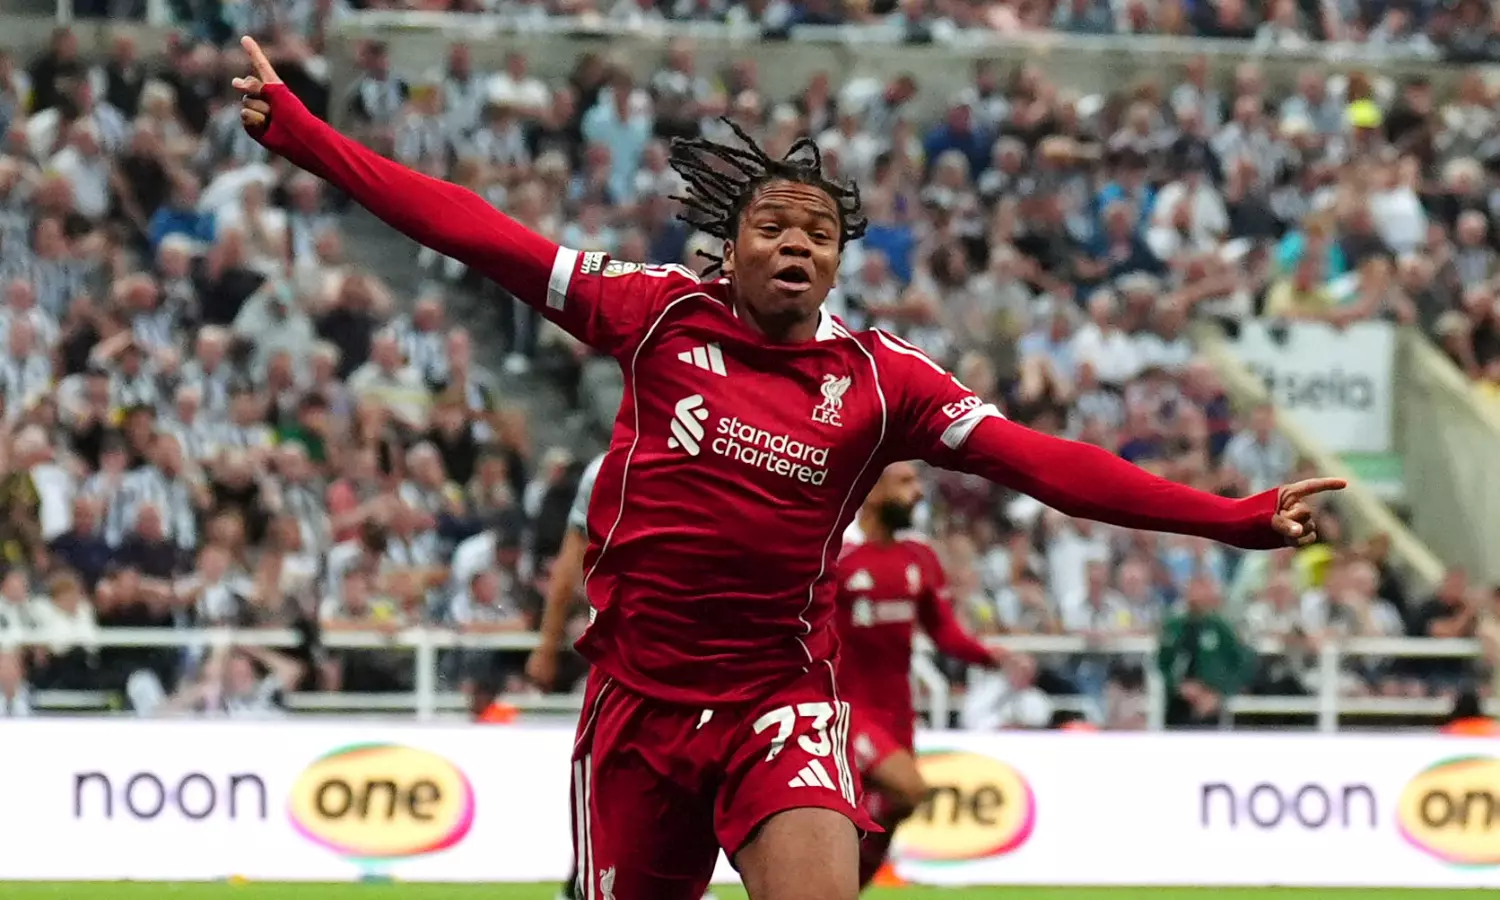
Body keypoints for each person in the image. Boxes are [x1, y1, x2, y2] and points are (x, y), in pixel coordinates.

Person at [234, 37, 1343, 900]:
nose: (798, 242)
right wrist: (305, 137)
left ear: (839, 261)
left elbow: (1045, 463)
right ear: (732, 247)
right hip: (637, 707)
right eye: (774, 226)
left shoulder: (884, 381)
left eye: (819, 231)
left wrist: (1231, 517)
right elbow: (478, 232)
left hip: (780, 701)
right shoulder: (656, 312)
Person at [834, 461, 1001, 889]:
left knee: (893, 809)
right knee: (909, 789)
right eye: (906, 482)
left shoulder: (919, 556)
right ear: (872, 490)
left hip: (898, 711)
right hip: (847, 709)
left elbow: (941, 628)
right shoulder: (839, 556)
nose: (919, 493)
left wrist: (987, 655)